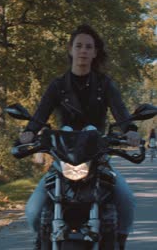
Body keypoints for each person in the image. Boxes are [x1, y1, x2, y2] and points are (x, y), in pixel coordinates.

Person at [18, 24, 141, 250]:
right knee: (33, 210)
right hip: (62, 158)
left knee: (127, 201)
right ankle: (42, 241)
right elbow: (39, 115)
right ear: (71, 50)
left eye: (88, 47)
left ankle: (118, 242)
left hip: (97, 158)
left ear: (95, 53)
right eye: (79, 46)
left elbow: (121, 113)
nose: (83, 50)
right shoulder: (57, 85)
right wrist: (28, 133)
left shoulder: (105, 85)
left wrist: (131, 131)